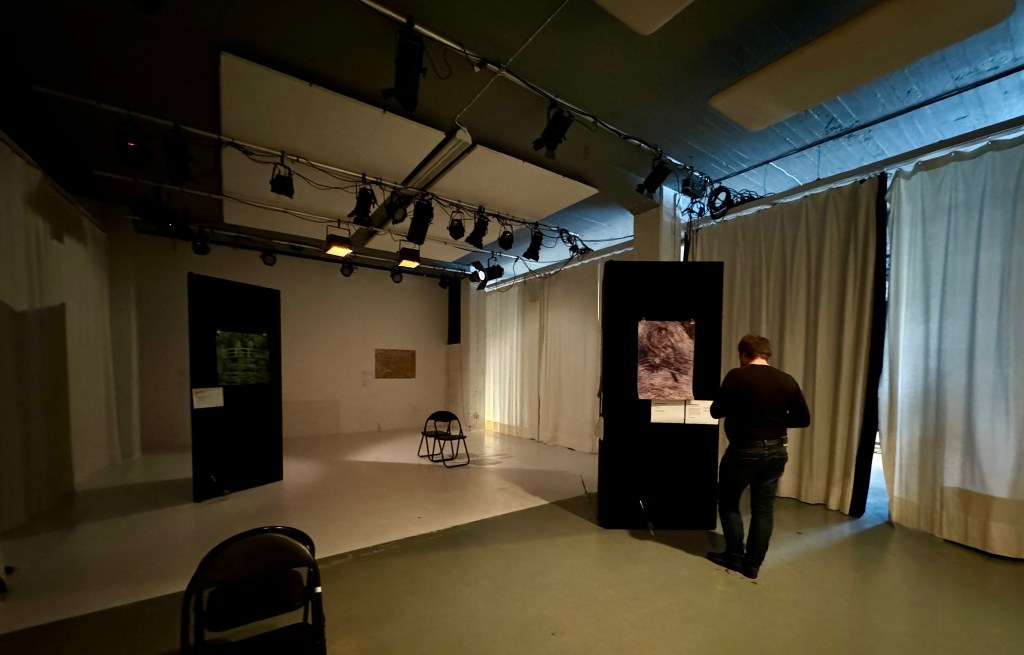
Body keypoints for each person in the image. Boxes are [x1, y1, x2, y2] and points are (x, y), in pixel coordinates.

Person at [706, 334, 810, 579]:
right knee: (763, 508)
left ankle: (733, 554)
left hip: (744, 450)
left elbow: (715, 411)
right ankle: (752, 565)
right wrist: (773, 421)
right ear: (766, 354)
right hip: (776, 451)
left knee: (729, 501)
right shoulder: (787, 380)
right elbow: (803, 419)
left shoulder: (737, 376)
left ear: (743, 354)